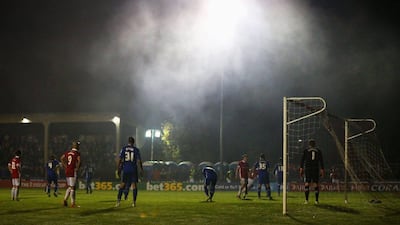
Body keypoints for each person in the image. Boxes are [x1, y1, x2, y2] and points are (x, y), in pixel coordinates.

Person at [115, 136, 143, 208]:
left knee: (122, 184)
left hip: (125, 169)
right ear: (133, 142)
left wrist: (118, 169)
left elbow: (120, 160)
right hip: (133, 169)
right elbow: (139, 161)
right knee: (134, 185)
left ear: (128, 142)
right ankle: (134, 202)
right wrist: (141, 169)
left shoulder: (124, 149)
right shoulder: (136, 150)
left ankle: (118, 202)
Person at [299, 139, 324, 204]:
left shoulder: (306, 150)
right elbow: (321, 161)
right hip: (316, 168)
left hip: (308, 168)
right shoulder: (318, 151)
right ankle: (316, 200)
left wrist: (301, 168)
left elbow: (302, 160)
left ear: (309, 144)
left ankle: (306, 200)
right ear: (315, 144)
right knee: (316, 183)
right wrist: (322, 169)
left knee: (307, 183)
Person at [60, 141, 81, 208]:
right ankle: (73, 203)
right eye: (78, 145)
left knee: (69, 186)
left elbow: (61, 158)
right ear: (75, 146)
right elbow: (79, 160)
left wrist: (65, 166)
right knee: (72, 188)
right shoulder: (77, 153)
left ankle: (64, 200)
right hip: (72, 171)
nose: (79, 146)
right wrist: (77, 168)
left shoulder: (68, 152)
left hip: (67, 170)